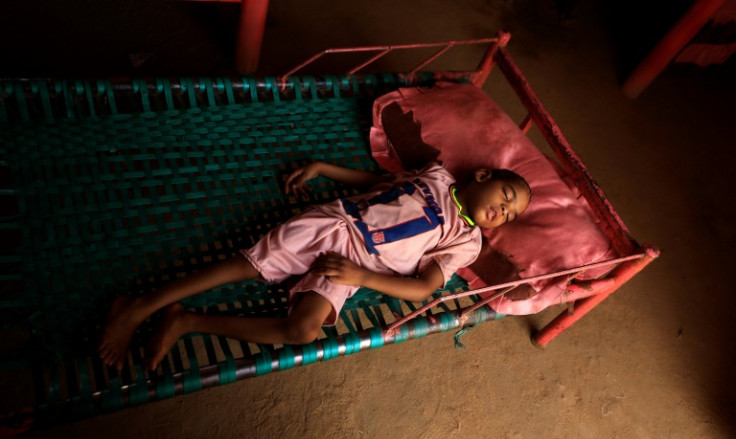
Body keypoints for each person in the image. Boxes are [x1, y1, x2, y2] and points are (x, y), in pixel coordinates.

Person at [98, 161, 531, 371]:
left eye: (511, 217)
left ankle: (188, 320)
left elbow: (422, 289)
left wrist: (361, 277)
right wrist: (324, 168)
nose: (503, 212)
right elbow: (381, 186)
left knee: (301, 331)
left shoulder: (467, 240)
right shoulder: (437, 176)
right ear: (482, 177)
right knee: (247, 265)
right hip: (334, 221)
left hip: (355, 265)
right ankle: (139, 306)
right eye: (506, 197)